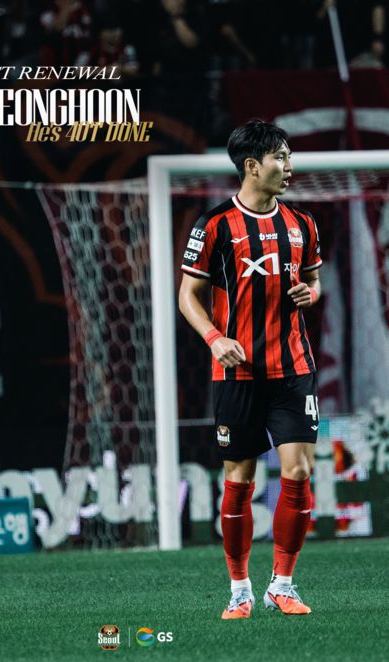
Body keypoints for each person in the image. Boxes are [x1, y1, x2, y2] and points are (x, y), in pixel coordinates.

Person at [179, 119, 323, 619]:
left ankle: (282, 584)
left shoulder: (302, 224)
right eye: (280, 157)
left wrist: (310, 294)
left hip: (293, 366)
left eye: (288, 156)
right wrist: (215, 338)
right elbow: (188, 295)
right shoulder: (214, 225)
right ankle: (239, 589)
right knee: (240, 479)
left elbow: (314, 282)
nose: (289, 166)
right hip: (237, 373)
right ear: (252, 166)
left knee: (298, 472)